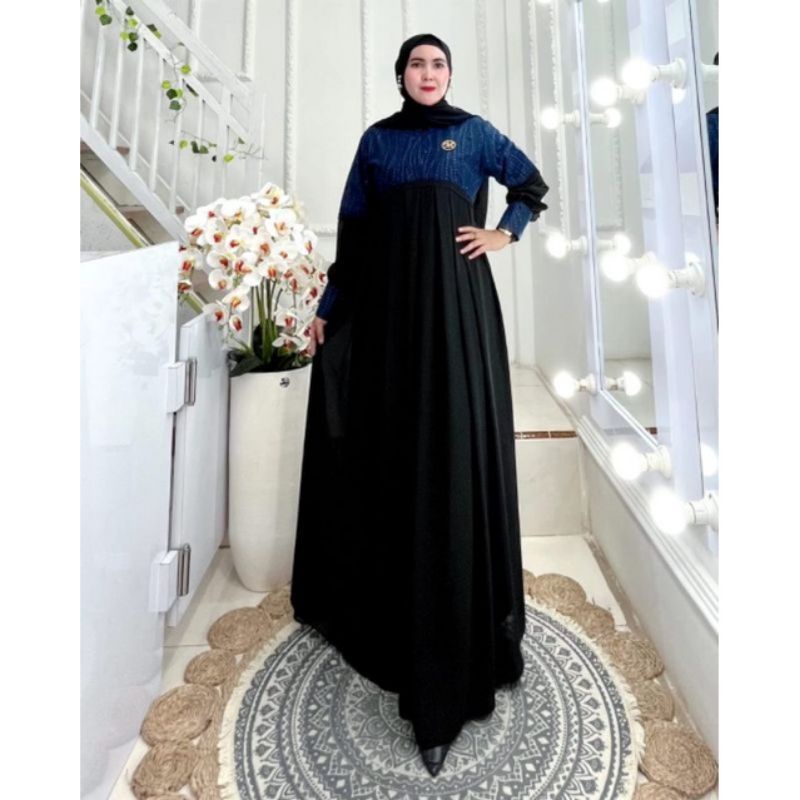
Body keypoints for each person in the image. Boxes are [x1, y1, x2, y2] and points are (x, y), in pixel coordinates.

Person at [290, 32, 549, 778]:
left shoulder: (474, 134)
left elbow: (531, 185)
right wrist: (328, 310)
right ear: (400, 75)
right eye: (416, 64)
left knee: (455, 454)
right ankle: (399, 619)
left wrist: (504, 233)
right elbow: (354, 236)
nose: (428, 73)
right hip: (392, 322)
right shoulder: (378, 142)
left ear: (449, 75)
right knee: (399, 454)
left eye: (438, 64)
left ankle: (458, 643)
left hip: (461, 319)